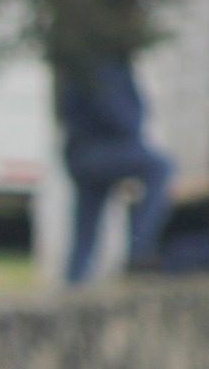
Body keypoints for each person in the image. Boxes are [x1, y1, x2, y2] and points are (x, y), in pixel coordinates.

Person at [57, 53, 174, 283]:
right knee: (160, 167)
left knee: (85, 230)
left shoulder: (83, 64)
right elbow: (125, 118)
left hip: (82, 154)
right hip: (100, 151)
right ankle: (139, 252)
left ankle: (73, 281)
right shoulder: (106, 66)